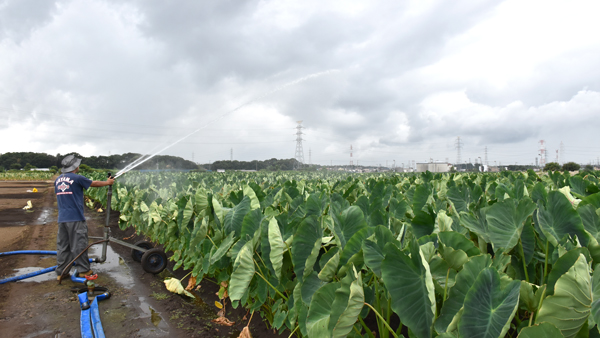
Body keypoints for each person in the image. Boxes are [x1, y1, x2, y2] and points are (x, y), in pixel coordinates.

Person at [54, 154, 114, 280]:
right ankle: (84, 271)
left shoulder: (58, 179)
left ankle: (62, 272)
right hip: (76, 218)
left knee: (63, 246)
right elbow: (94, 183)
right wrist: (108, 182)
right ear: (75, 166)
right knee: (79, 245)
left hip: (62, 219)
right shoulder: (77, 178)